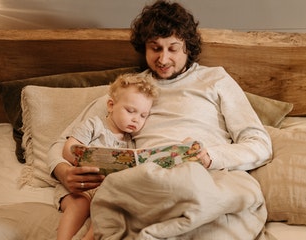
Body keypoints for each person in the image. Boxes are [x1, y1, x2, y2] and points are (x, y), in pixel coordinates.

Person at [47, 0, 272, 237]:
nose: (163, 59)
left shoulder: (216, 79)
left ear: (188, 47)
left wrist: (211, 157)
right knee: (122, 192)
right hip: (148, 181)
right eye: (155, 48)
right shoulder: (130, 90)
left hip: (208, 174)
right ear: (144, 48)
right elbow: (61, 143)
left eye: (173, 49)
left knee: (218, 207)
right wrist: (63, 171)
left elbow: (259, 143)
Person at [54, 73, 159, 240]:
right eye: (131, 111)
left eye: (143, 115)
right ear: (111, 105)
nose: (136, 119)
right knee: (79, 204)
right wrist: (84, 157)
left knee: (111, 210)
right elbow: (68, 150)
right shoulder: (94, 125)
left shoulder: (130, 143)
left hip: (107, 190)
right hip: (82, 184)